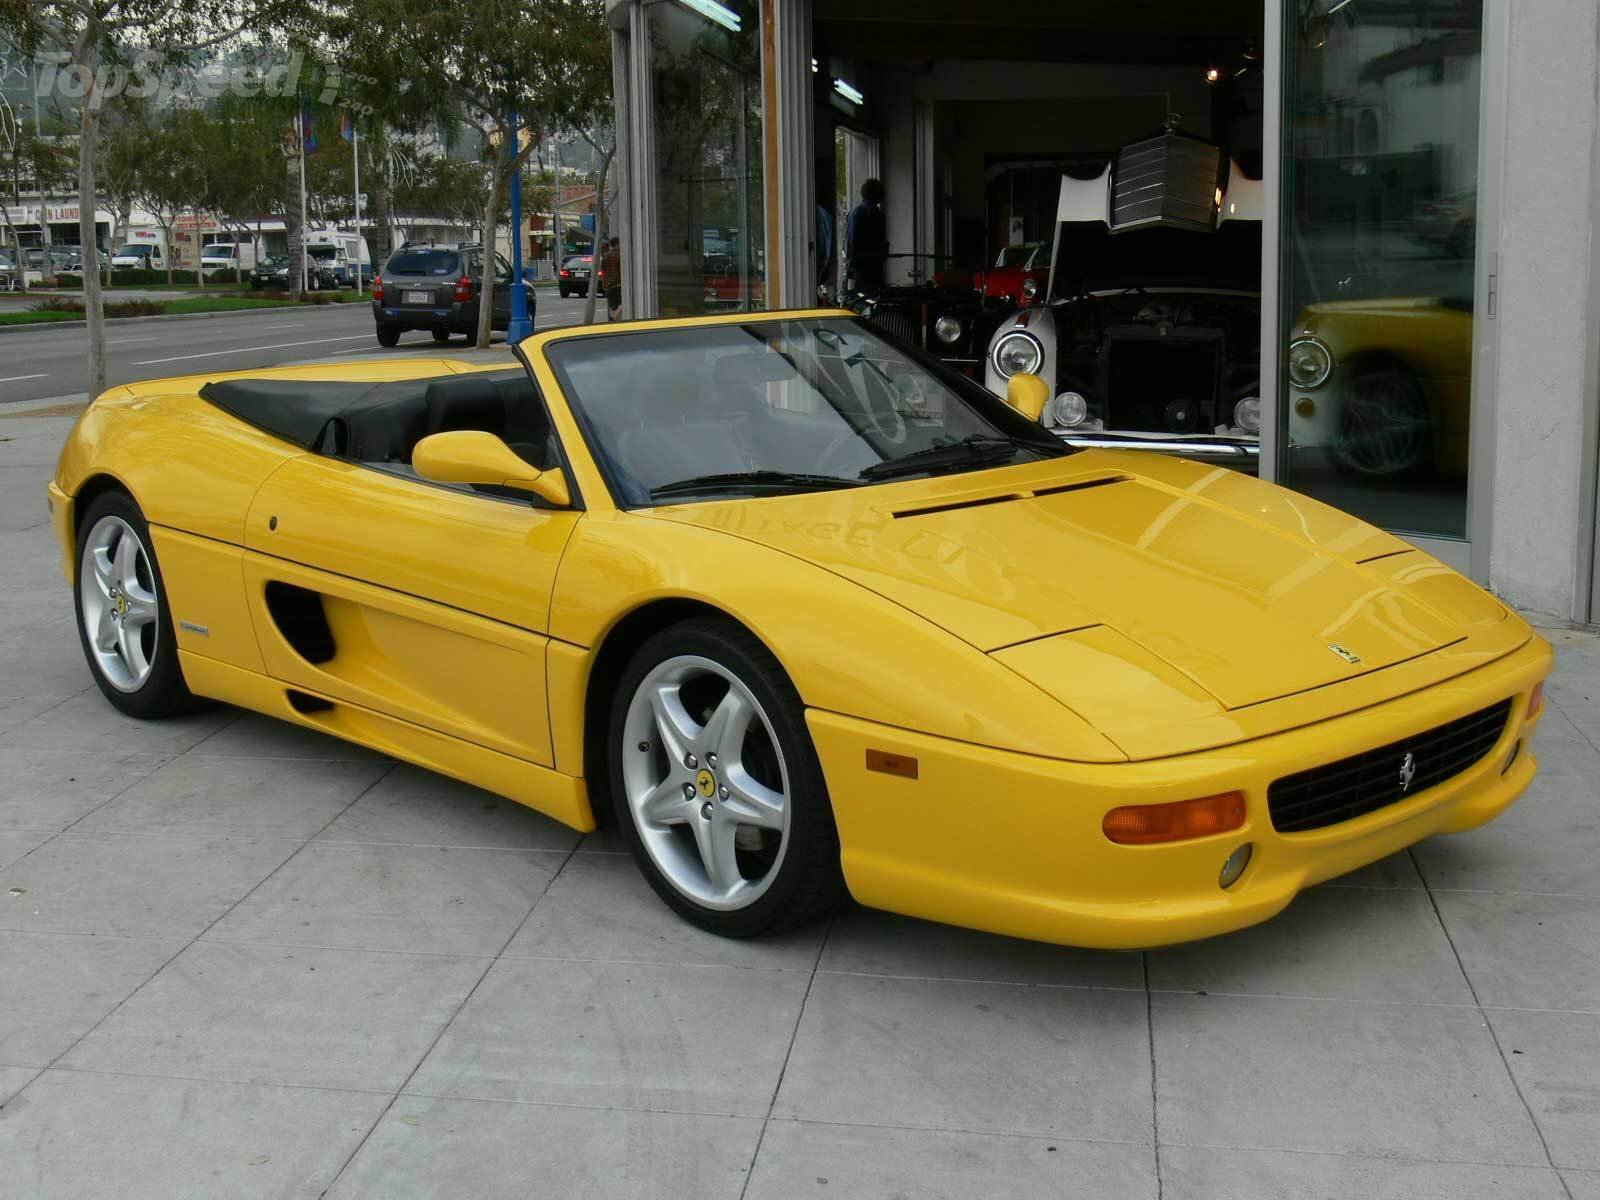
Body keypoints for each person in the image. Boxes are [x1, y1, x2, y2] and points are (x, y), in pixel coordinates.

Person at [844, 178, 888, 293]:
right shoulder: (879, 214)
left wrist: (850, 266)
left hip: (861, 268)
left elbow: (850, 244)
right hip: (874, 268)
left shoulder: (856, 213)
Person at [601, 236, 622, 320]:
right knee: (623, 304)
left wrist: (604, 283)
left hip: (608, 286)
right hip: (618, 284)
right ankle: (613, 319)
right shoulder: (620, 254)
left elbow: (602, 271)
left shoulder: (606, 256)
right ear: (618, 244)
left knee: (614, 308)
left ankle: (614, 321)